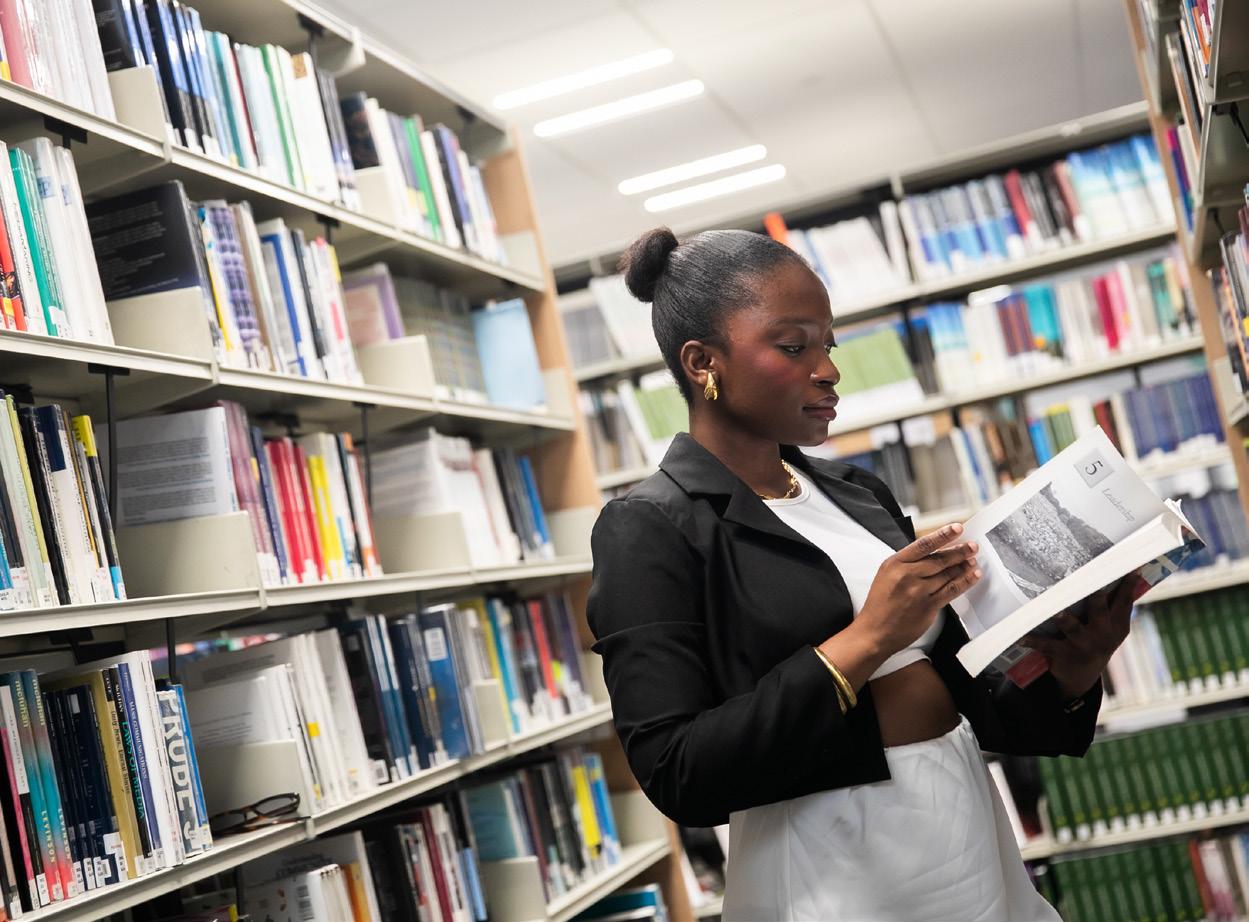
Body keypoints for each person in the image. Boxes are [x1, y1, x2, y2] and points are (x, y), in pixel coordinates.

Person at [586, 227, 1140, 922]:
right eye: (794, 347)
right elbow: (678, 772)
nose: (828, 371)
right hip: (830, 871)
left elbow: (972, 696)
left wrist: (1072, 670)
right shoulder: (649, 526)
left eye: (829, 346)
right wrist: (870, 636)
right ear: (703, 363)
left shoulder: (858, 494)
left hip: (961, 830)